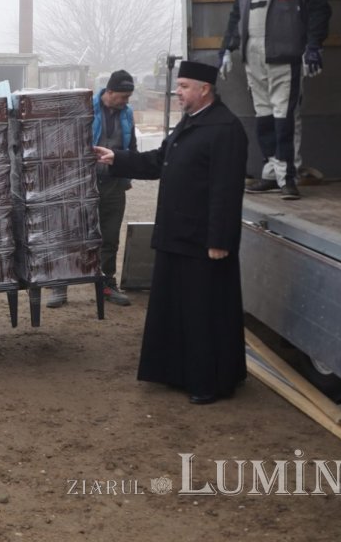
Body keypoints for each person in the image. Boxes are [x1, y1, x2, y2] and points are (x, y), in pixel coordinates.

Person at [95, 60, 248, 404]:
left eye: (183, 87)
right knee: (176, 310)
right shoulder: (190, 124)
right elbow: (158, 162)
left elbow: (226, 190)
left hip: (203, 242)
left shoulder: (225, 129)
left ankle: (207, 382)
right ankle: (175, 372)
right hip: (176, 236)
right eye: (178, 86)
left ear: (204, 89)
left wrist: (220, 240)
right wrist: (116, 158)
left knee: (203, 313)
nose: (177, 92)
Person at [219, 0, 331, 200]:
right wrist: (226, 50)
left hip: (286, 55)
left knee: (285, 116)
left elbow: (319, 10)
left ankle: (287, 177)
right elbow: (236, 17)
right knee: (265, 115)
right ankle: (271, 172)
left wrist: (314, 46)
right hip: (253, 57)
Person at [47, 69, 136, 308]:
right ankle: (60, 285)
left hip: (113, 184)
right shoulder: (84, 109)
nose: (126, 102)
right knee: (72, 234)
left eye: (128, 97)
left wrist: (127, 175)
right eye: (122, 96)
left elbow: (132, 147)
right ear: (109, 92)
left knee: (109, 237)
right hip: (82, 184)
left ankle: (106, 283)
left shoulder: (127, 114)